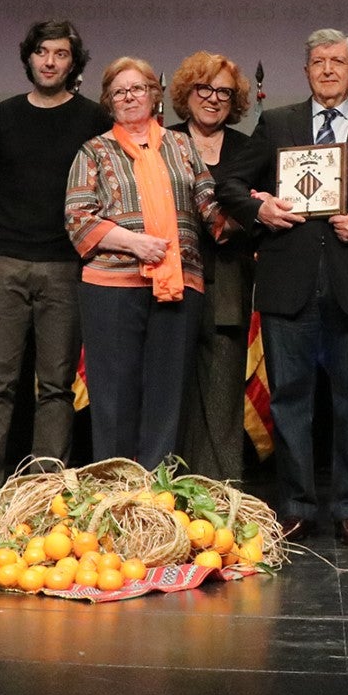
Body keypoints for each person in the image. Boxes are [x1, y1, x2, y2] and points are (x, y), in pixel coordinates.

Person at [217, 29, 348, 546]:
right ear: (305, 71)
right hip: (288, 284)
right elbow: (229, 183)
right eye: (318, 62)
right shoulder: (277, 122)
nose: (328, 70)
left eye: (338, 61)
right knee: (290, 401)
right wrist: (261, 209)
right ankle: (297, 506)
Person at [0, 19, 110, 522]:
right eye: (41, 51)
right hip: (6, 261)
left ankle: (46, 493)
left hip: (65, 265)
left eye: (60, 53)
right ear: (29, 57)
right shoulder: (2, 116)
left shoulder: (93, 118)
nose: (49, 61)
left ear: (73, 62)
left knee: (56, 385)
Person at [64, 57, 223, 469]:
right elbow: (78, 217)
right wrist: (136, 244)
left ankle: (157, 498)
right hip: (112, 289)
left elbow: (211, 207)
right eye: (120, 92)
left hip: (179, 286)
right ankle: (115, 491)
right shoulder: (94, 151)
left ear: (155, 96)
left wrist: (257, 208)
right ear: (109, 102)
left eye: (138, 88)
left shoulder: (183, 146)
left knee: (168, 395)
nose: (129, 97)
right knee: (114, 396)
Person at [167, 52, 258, 481]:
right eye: (204, 88)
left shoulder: (249, 147)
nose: (213, 98)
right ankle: (170, 490)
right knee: (174, 390)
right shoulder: (162, 141)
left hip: (229, 278)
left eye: (224, 91)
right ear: (187, 93)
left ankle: (223, 489)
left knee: (222, 392)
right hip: (170, 280)